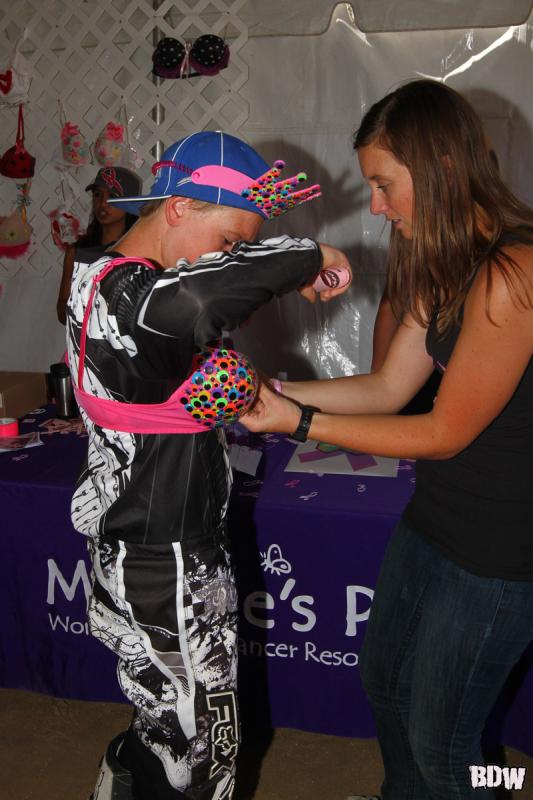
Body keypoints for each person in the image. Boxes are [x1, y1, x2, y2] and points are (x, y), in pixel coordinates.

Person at [240, 80, 533, 800]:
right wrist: (266, 394)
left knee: (446, 744)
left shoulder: (512, 270)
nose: (374, 206)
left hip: (501, 548)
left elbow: (441, 429)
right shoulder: (445, 260)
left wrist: (296, 423)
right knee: (385, 682)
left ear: (435, 165)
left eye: (382, 184)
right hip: (437, 520)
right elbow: (384, 388)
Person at [64, 130, 351, 800]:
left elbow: (176, 346)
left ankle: (125, 773)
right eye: (227, 241)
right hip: (164, 558)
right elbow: (199, 301)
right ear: (177, 209)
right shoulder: (138, 298)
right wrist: (304, 255)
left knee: (165, 712)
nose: (229, 259)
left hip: (143, 539)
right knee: (207, 753)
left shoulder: (105, 278)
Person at [56, 166, 141, 324]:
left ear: (130, 203)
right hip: (84, 346)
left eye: (112, 196)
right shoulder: (77, 253)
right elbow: (62, 312)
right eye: (97, 195)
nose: (103, 203)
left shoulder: (141, 253)